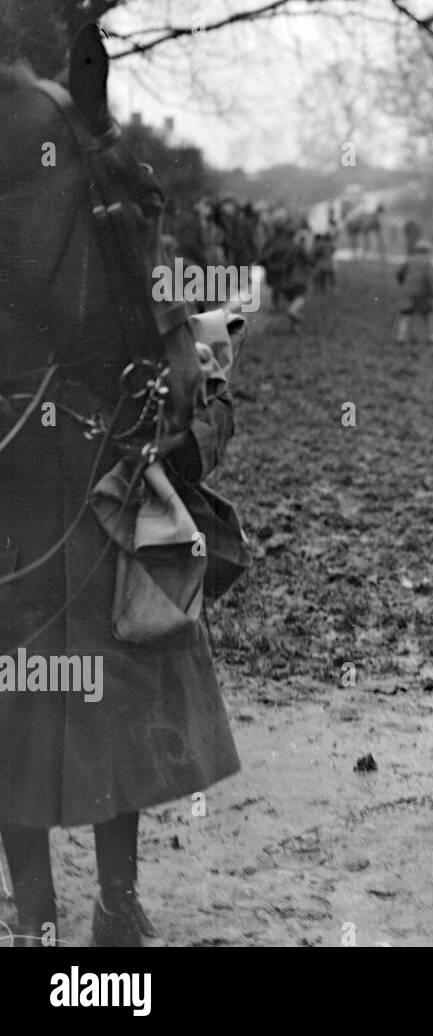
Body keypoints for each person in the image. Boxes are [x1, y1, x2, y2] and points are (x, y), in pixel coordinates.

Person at [0, 309, 245, 947]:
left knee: (115, 723)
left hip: (109, 553)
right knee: (12, 735)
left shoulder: (119, 280)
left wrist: (180, 446)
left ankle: (117, 906)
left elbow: (212, 397)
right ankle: (35, 925)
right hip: (15, 558)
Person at [395, 239, 433, 344]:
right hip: (422, 292)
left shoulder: (410, 259)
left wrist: (403, 284)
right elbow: (431, 279)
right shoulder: (428, 262)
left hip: (408, 291)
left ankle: (401, 336)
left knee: (406, 313)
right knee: (429, 313)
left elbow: (399, 273)